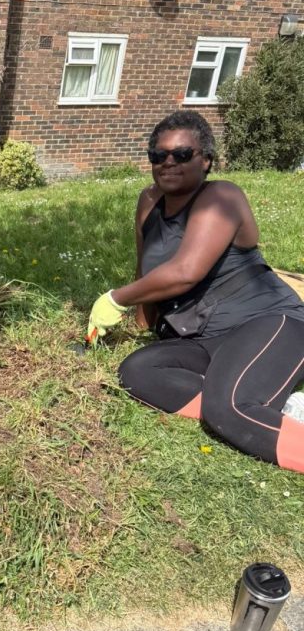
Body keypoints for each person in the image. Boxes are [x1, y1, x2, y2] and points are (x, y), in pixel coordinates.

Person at [86, 109, 304, 473]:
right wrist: (140, 324)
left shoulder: (223, 197)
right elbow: (148, 270)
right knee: (137, 370)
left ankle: (242, 405)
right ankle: (267, 403)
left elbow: (186, 272)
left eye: (182, 154)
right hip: (205, 337)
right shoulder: (149, 202)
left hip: (269, 323)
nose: (168, 162)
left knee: (230, 409)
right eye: (158, 155)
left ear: (206, 161)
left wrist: (115, 298)